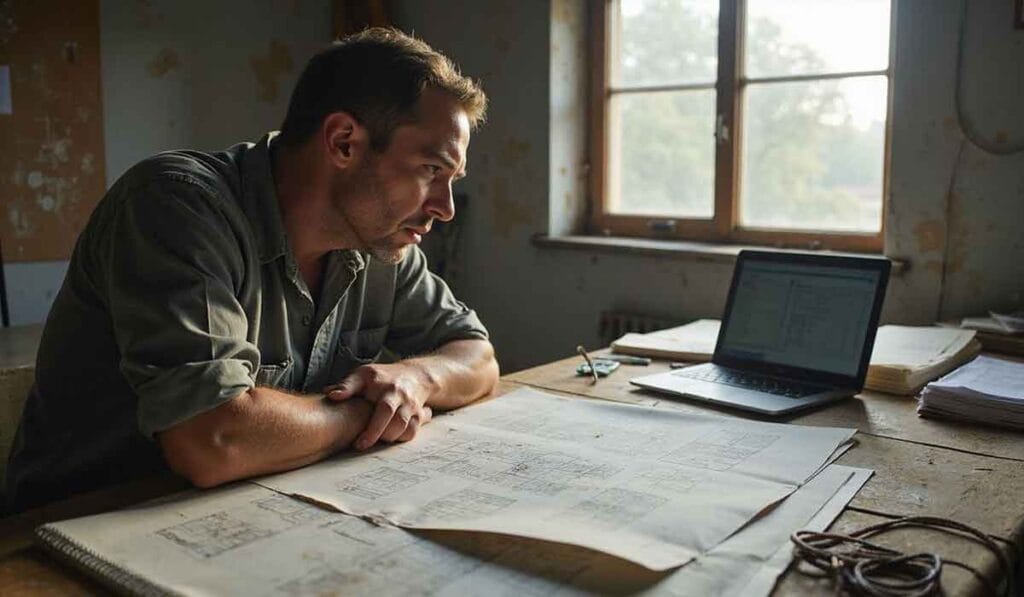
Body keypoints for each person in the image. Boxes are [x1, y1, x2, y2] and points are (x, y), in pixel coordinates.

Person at [5, 28, 499, 513]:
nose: (446, 208)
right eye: (432, 170)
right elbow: (212, 439)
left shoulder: (378, 241)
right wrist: (368, 412)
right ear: (344, 142)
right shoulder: (175, 207)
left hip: (250, 507)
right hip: (69, 528)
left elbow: (478, 356)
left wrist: (415, 380)